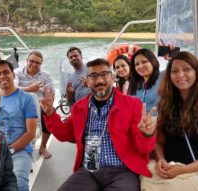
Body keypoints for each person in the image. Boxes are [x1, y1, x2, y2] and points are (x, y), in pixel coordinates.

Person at [41, 58, 157, 191]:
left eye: (104, 74)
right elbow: (63, 134)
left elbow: (144, 149)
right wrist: (50, 113)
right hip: (88, 170)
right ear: (87, 81)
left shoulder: (132, 104)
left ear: (113, 78)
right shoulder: (79, 106)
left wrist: (147, 134)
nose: (99, 80)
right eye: (93, 76)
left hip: (122, 171)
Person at [141, 51, 198, 191]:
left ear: (197, 72)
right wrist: (160, 160)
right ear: (169, 76)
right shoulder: (166, 103)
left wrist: (185, 170)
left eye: (186, 69)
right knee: (145, 172)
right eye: (175, 71)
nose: (180, 75)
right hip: (173, 167)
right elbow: (159, 142)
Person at [0, 60, 38, 191]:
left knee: (18, 183)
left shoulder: (26, 98)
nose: (2, 76)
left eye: (6, 72)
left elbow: (31, 133)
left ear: (13, 75)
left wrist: (9, 150)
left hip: (19, 150)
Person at [14, 51, 54, 159]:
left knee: (50, 116)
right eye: (31, 61)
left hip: (40, 105)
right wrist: (29, 89)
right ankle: (20, 144)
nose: (34, 64)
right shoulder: (17, 72)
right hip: (21, 105)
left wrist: (49, 106)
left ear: (41, 64)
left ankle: (43, 146)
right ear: (26, 61)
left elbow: (50, 92)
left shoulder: (46, 75)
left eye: (37, 62)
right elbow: (12, 88)